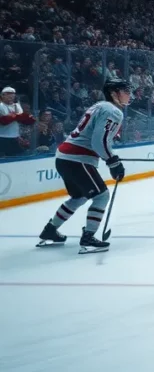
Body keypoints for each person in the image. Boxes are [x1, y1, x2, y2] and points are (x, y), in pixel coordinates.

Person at [37, 79, 131, 254]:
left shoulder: (99, 106)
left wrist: (110, 154)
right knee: (102, 196)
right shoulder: (113, 111)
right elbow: (98, 141)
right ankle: (88, 238)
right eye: (125, 90)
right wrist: (113, 161)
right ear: (113, 93)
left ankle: (50, 230)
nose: (129, 94)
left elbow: (97, 137)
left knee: (79, 196)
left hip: (64, 157)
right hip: (77, 158)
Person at [0, 86, 35, 157]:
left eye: (13, 94)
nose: (11, 96)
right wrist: (16, 116)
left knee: (19, 155)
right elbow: (3, 121)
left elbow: (21, 118)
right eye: (8, 94)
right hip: (2, 136)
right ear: (3, 95)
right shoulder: (1, 106)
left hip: (14, 136)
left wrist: (28, 118)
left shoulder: (17, 105)